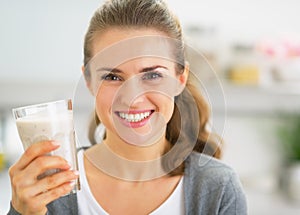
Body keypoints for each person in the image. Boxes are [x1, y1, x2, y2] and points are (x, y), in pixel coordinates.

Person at [7, 0, 247, 214]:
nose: (132, 98)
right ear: (89, 81)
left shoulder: (217, 190)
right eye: (112, 77)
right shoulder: (51, 189)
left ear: (180, 79)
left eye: (152, 75)